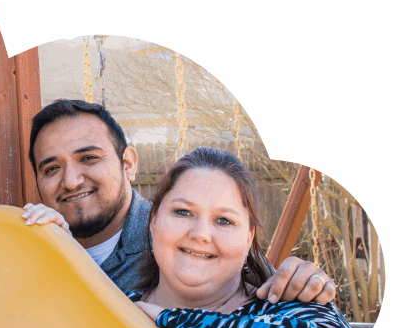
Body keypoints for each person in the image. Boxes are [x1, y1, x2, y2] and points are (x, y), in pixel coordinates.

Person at [22, 99, 337, 305]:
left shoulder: (180, 243)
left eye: (89, 158)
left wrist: (307, 286)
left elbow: (274, 300)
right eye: (51, 168)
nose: (72, 180)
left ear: (128, 164)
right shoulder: (32, 250)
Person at [125, 147, 358, 328]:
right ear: (153, 221)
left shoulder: (288, 310)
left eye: (224, 220)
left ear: (249, 238)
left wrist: (169, 321)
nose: (201, 234)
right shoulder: (113, 303)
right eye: (183, 212)